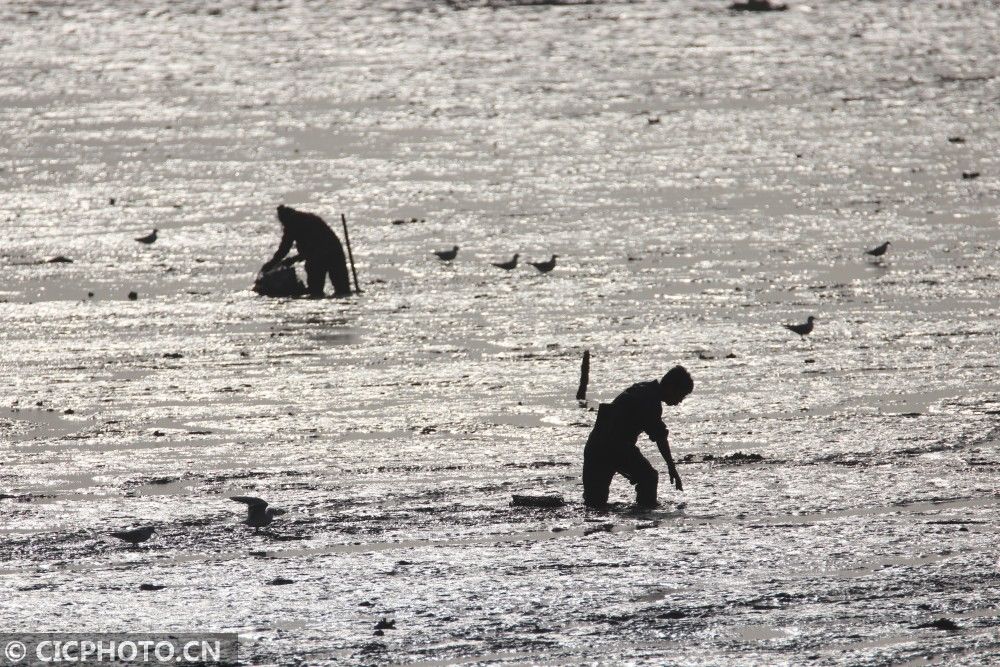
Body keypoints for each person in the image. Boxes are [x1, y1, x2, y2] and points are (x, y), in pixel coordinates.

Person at [583, 366, 693, 509]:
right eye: (681, 395)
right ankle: (644, 518)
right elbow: (660, 436)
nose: (680, 401)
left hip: (595, 445)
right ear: (671, 387)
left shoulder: (644, 389)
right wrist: (671, 467)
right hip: (614, 446)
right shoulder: (650, 401)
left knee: (594, 505)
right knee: (649, 478)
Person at [261, 205, 352, 297]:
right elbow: (285, 248)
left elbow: (315, 247)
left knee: (336, 290)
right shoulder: (297, 222)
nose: (283, 225)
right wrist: (275, 262)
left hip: (330, 253)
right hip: (325, 253)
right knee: (325, 290)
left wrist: (287, 260)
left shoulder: (297, 223)